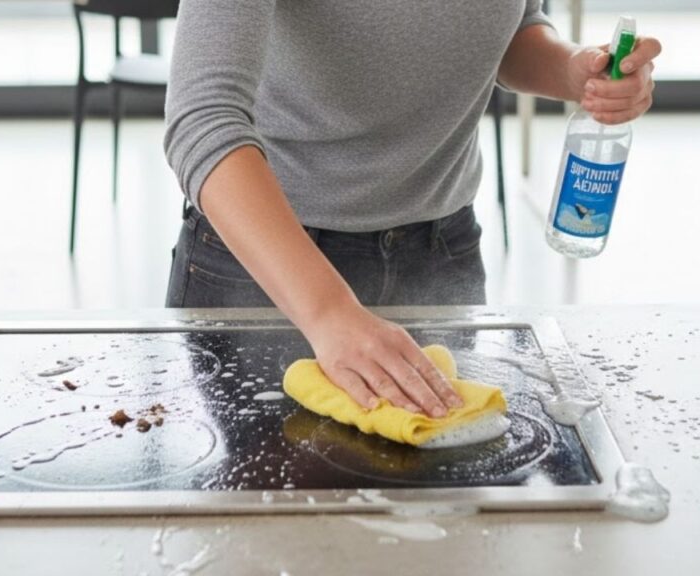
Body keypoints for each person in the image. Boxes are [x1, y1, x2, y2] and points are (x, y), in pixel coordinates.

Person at [163, 1, 661, 418]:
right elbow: (204, 119)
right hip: (271, 268)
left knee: (437, 517)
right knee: (253, 523)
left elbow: (509, 26)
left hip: (440, 250)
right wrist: (330, 312)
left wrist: (575, 70)